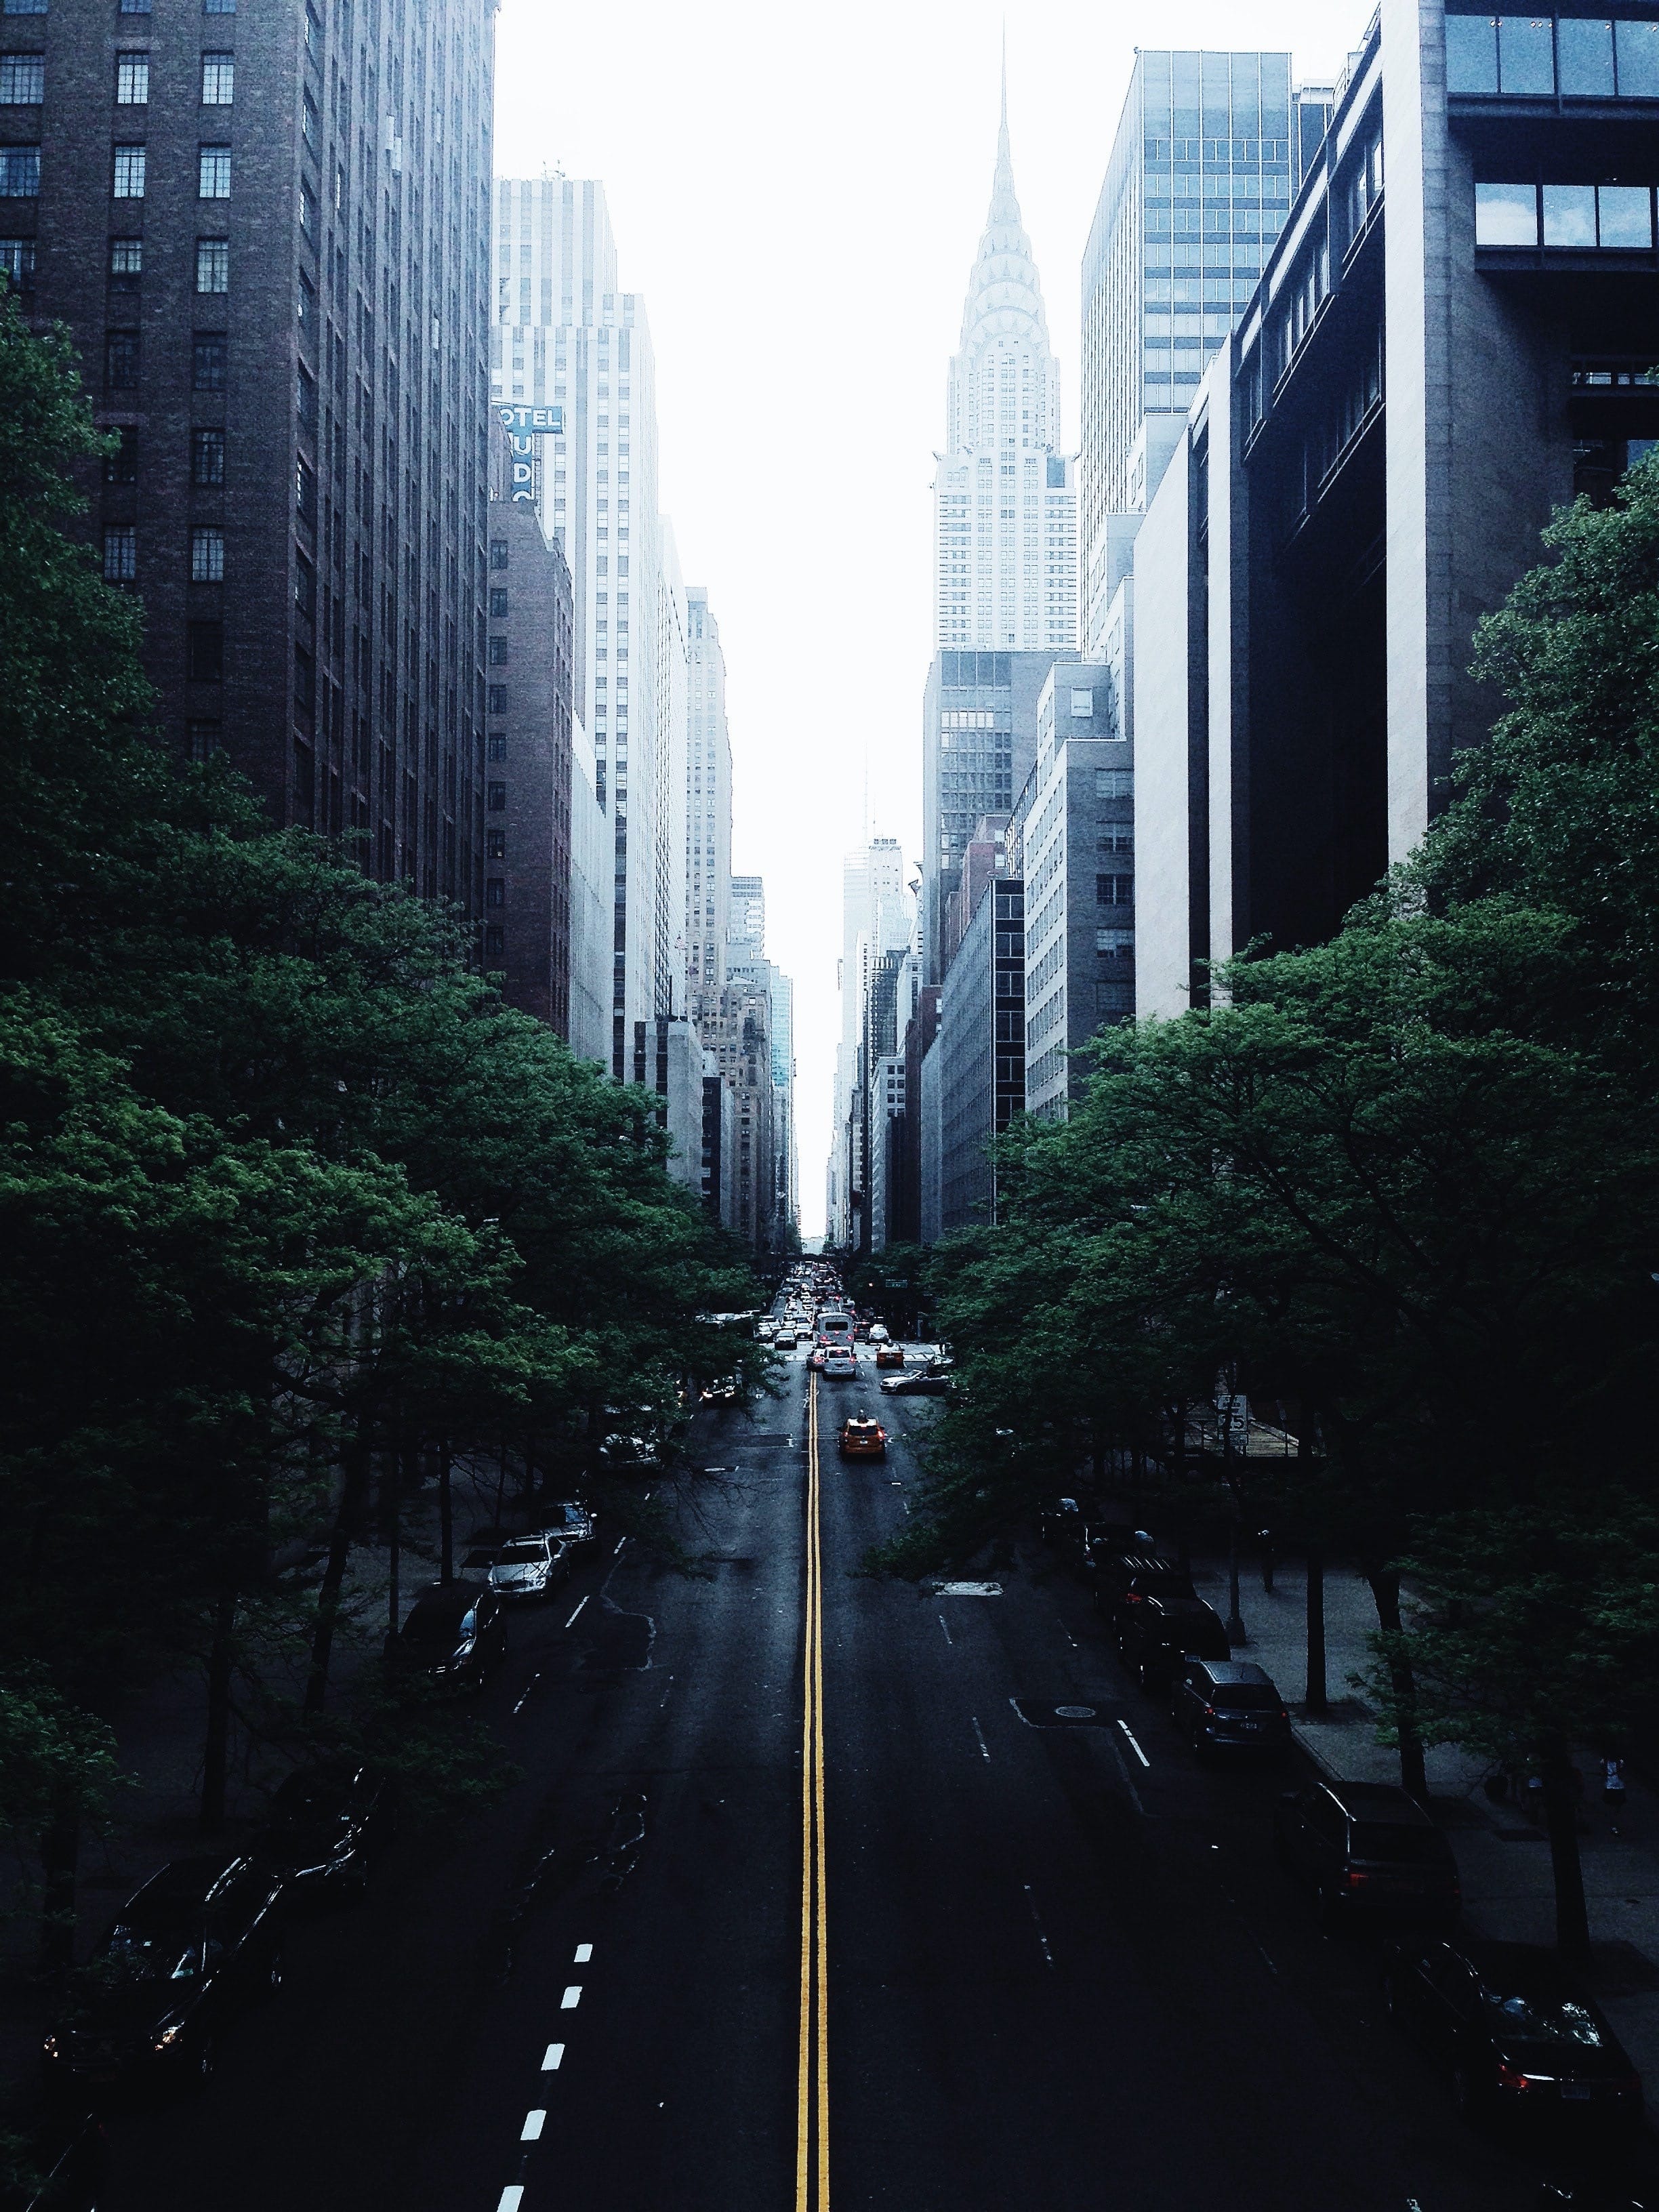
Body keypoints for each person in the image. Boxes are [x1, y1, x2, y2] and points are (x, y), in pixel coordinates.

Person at [1604, 1755, 1628, 1835]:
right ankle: (1614, 1826)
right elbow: (1623, 1774)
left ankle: (1614, 1825)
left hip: (1612, 1786)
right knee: (1615, 1808)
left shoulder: (1605, 1761)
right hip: (1615, 1787)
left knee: (1614, 1808)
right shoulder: (1620, 1762)